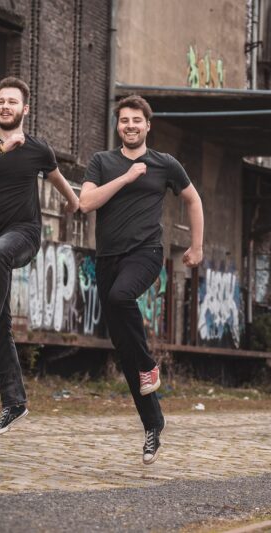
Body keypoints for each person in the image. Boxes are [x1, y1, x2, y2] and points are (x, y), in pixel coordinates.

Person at [79, 95, 204, 464]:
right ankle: (153, 425)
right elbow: (86, 203)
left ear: (148, 125)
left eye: (137, 120)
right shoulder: (102, 162)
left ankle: (150, 364)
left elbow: (193, 200)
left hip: (146, 253)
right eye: (124, 120)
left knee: (121, 297)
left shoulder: (165, 164)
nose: (130, 126)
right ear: (118, 126)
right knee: (124, 350)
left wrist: (196, 246)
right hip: (107, 259)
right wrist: (126, 177)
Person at [0, 77, 79, 436]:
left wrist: (75, 203)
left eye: (12, 101)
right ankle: (14, 403)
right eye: (0, 101)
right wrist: (2, 149)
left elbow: (59, 180)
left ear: (25, 109)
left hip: (24, 235)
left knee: (0, 254)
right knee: (2, 326)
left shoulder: (38, 150)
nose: (5, 106)